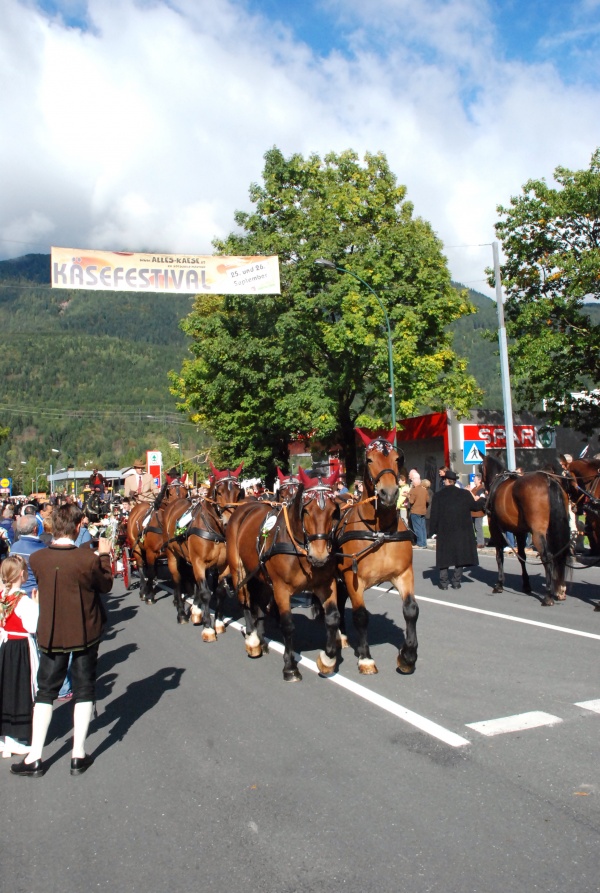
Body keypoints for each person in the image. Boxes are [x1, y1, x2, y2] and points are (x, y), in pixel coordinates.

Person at [11, 503, 113, 778]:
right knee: (84, 690)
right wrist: (103, 556)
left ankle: (35, 756)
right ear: (79, 526)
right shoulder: (87, 559)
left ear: (52, 527)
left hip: (52, 633)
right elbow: (106, 585)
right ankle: (78, 754)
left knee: (45, 693)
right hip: (84, 631)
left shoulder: (38, 559)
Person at [0, 555, 39, 758]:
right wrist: (36, 604)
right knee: (18, 689)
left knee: (4, 688)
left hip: (4, 647)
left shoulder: (2, 596)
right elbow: (32, 627)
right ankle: (14, 738)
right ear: (22, 575)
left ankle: (4, 738)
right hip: (20, 648)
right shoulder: (22, 600)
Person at [429, 469, 486, 590]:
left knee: (444, 556)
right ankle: (456, 581)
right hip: (462, 530)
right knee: (460, 556)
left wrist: (433, 530)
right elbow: (475, 507)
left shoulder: (438, 495)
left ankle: (443, 583)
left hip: (445, 530)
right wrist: (482, 499)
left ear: (446, 481)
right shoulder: (464, 494)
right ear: (454, 481)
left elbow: (434, 514)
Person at [9, 514, 47, 595]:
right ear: (35, 529)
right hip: (35, 594)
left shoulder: (14, 547)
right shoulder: (42, 549)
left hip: (17, 593)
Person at [408, 472, 429, 548]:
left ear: (414, 483)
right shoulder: (424, 490)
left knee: (417, 528)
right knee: (423, 528)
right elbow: (427, 500)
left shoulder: (414, 490)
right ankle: (424, 543)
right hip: (423, 511)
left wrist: (408, 496)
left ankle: (419, 543)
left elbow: (411, 501)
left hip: (415, 511)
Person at [468, 474, 487, 548]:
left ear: (479, 480)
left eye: (475, 479)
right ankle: (474, 541)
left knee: (478, 527)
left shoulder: (481, 489)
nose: (474, 480)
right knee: (473, 527)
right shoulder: (474, 488)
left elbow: (476, 498)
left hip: (478, 511)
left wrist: (470, 491)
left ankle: (480, 543)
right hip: (473, 511)